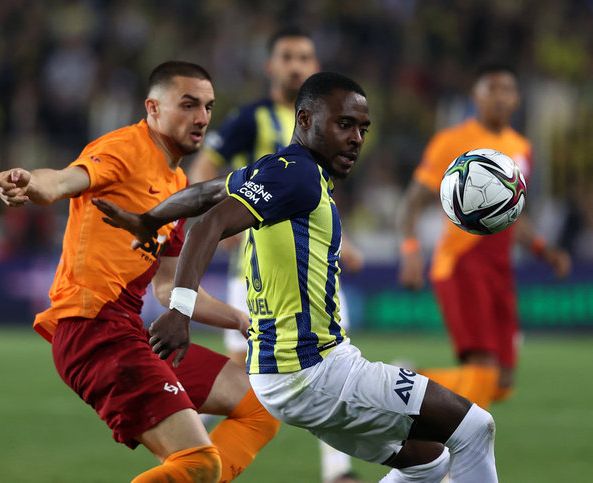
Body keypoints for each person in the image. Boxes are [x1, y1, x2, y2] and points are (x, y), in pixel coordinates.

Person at [94, 71, 499, 482]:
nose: (356, 139)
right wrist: (181, 310)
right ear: (304, 119)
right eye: (345, 124)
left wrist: (151, 218)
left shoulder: (278, 170)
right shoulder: (296, 175)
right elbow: (208, 225)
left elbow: (206, 193)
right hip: (315, 371)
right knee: (474, 428)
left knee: (428, 462)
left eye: (363, 129)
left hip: (287, 378)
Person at [0, 61, 280, 483]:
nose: (201, 117)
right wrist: (28, 182)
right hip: (92, 331)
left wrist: (240, 319)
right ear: (153, 108)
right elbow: (61, 182)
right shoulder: (125, 148)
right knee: (198, 461)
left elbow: (169, 288)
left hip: (131, 334)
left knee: (260, 408)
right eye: (188, 105)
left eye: (208, 107)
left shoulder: (178, 186)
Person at [188, 28, 362, 483]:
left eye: (304, 57)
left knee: (327, 359)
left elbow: (318, 196)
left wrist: (342, 242)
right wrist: (220, 217)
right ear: (270, 66)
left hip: (311, 266)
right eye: (287, 56)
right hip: (256, 272)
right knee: (244, 380)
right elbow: (206, 166)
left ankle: (338, 471)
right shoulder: (252, 118)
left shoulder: (331, 120)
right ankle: (185, 439)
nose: (296, 65)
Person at [398, 62, 572, 410]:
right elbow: (411, 203)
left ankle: (407, 379)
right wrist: (411, 250)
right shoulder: (452, 141)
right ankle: (427, 427)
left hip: (499, 270)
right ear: (475, 96)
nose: (500, 97)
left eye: (507, 90)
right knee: (482, 372)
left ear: (517, 99)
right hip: (461, 263)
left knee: (501, 383)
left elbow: (512, 214)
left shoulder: (521, 147)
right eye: (491, 89)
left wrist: (543, 249)